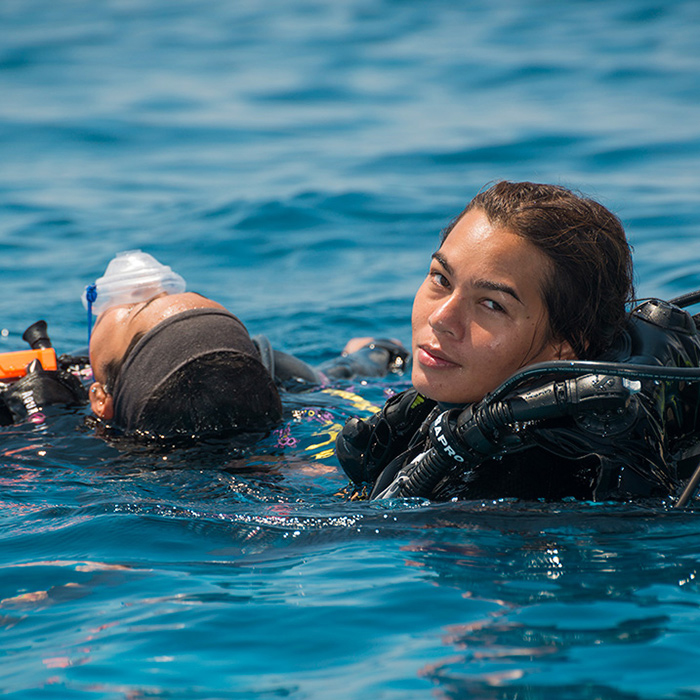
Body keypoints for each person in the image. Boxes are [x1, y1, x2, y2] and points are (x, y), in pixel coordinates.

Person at [336, 181, 700, 503]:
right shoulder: (479, 402)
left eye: (492, 305)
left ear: (566, 343)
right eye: (441, 279)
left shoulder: (532, 477)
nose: (440, 319)